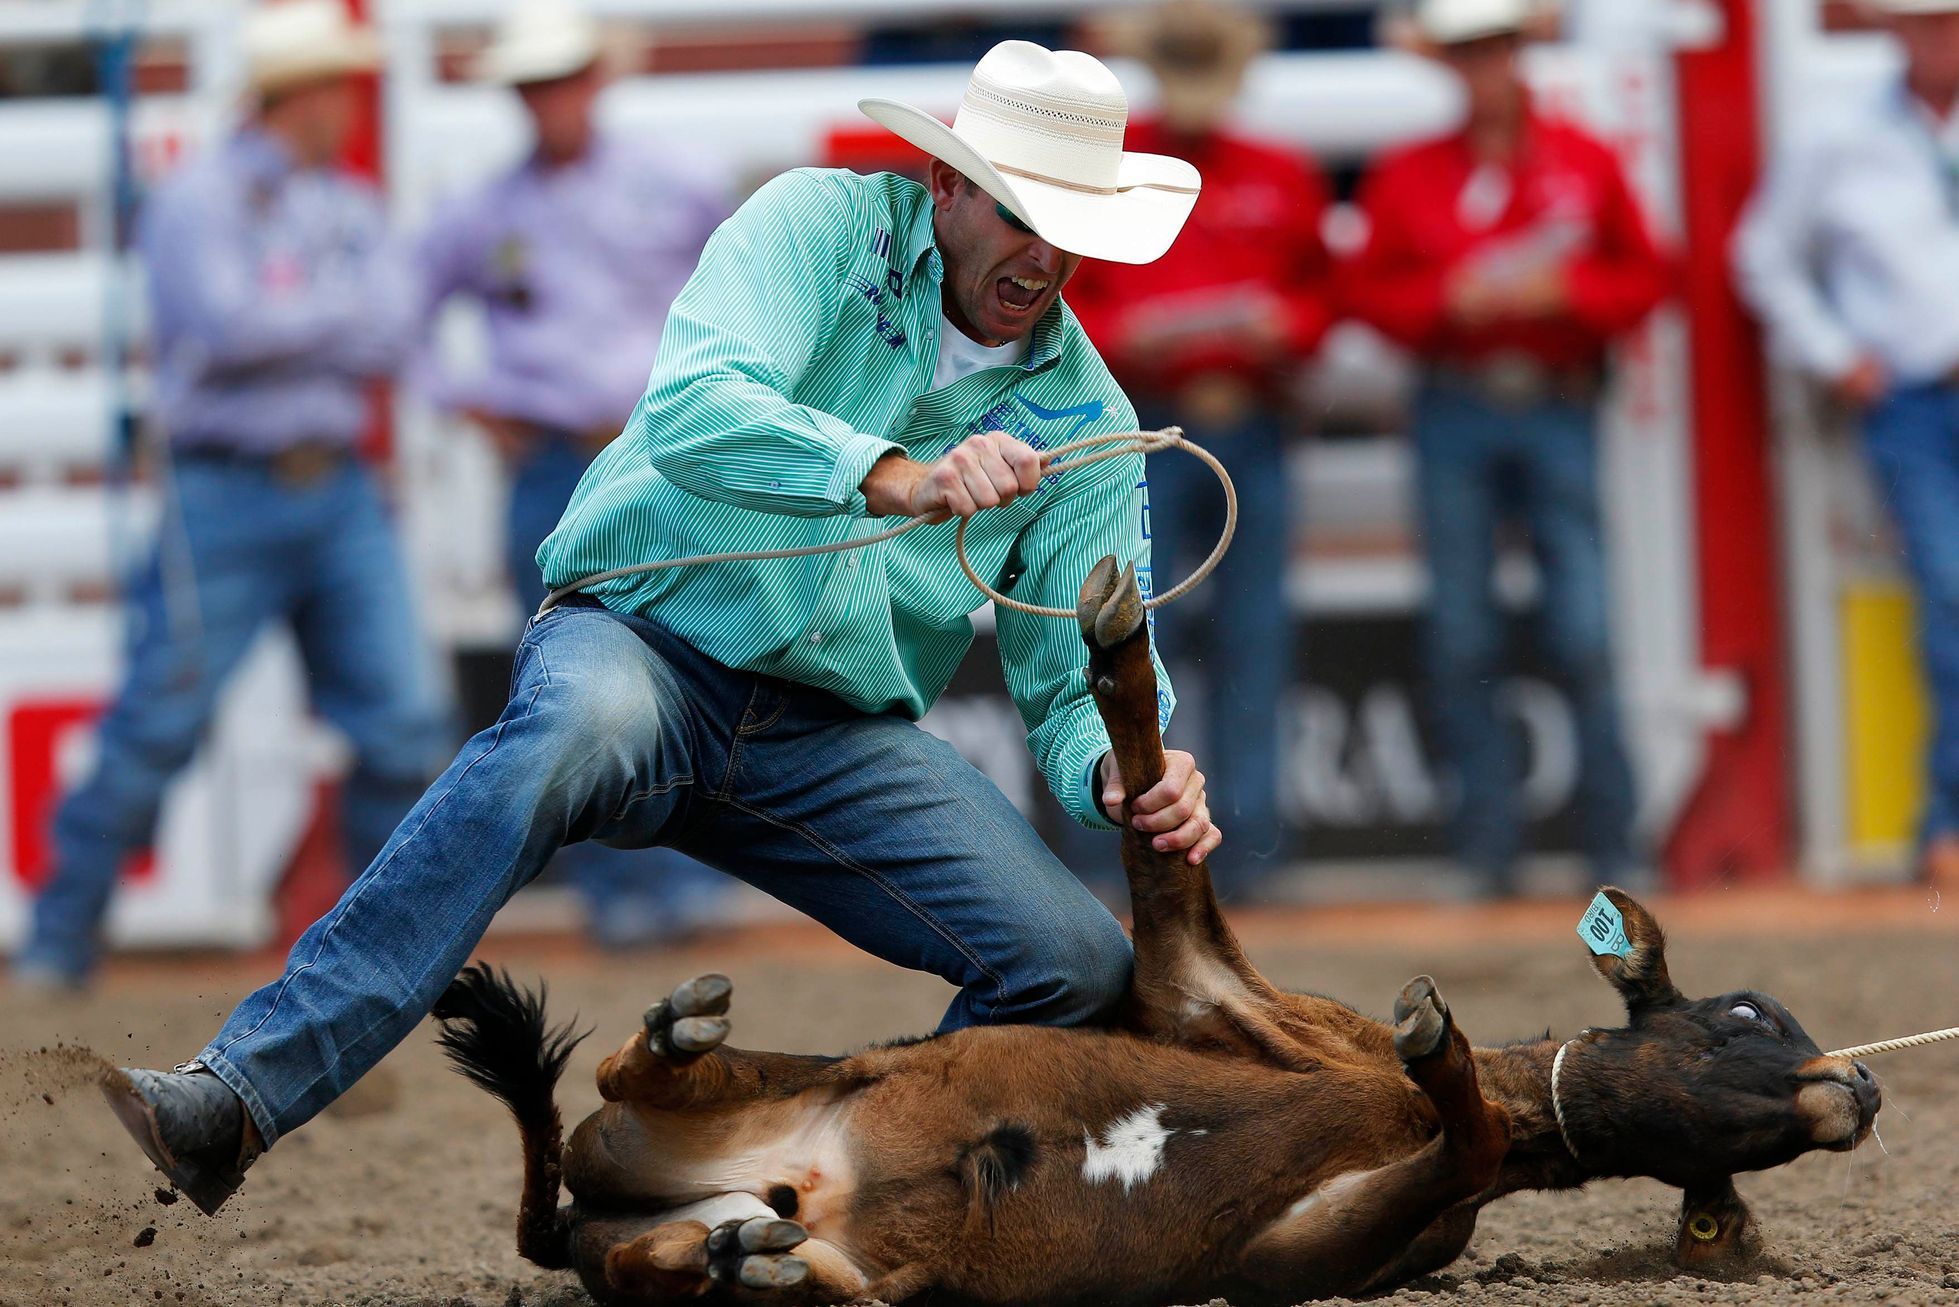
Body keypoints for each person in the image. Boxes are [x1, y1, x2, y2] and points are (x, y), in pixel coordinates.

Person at [103, 40, 1218, 1218]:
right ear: (944, 187)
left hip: (828, 730)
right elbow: (693, 405)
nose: (1043, 256)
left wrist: (1120, 769)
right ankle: (235, 1095)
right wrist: (892, 473)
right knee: (564, 735)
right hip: (644, 634)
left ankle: (806, 1189)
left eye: (1070, 224)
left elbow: (1065, 678)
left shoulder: (1092, 419)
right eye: (1015, 212)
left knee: (1076, 964)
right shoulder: (817, 226)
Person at [12, 0, 450, 990]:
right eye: (336, 84)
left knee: (403, 722)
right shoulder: (201, 198)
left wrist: (296, 319)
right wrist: (334, 320)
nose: (347, 103)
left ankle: (371, 954)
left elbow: (379, 324)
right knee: (160, 723)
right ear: (299, 96)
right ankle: (58, 937)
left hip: (330, 487)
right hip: (227, 493)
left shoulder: (340, 202)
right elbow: (232, 326)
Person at [415, 0, 733, 946]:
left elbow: (749, 287)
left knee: (689, 659)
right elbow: (407, 314)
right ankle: (613, 895)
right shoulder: (485, 211)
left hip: (659, 452)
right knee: (570, 681)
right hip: (555, 458)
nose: (546, 99)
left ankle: (676, 887)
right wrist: (471, 400)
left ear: (593, 80)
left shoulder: (677, 185)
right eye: (532, 84)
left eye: (558, 78)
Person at [1342, 0, 1667, 898]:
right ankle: (1487, 850)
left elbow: (1647, 275)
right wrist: (1449, 305)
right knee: (1461, 627)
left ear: (1516, 53)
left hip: (1550, 399)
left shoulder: (1581, 157)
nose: (1483, 68)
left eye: (1493, 49)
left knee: (1584, 623)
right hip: (1461, 399)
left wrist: (1565, 290)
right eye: (1467, 52)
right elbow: (1368, 291)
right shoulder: (1416, 173)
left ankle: (1614, 846)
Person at [1067, 0, 1334, 895]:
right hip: (1146, 416)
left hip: (1226, 417)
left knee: (1243, 631)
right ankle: (1152, 827)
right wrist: (1123, 336)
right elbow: (1067, 299)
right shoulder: (1117, 172)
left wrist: (1282, 328)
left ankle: (1245, 843)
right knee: (1139, 633)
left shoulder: (1273, 172)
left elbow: (1318, 296)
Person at [1735, 0, 1959, 891]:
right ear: (1897, 32)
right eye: (1930, 21)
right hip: (1910, 398)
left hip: (1909, 399)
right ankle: (1946, 819)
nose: (1942, 35)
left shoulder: (1848, 135)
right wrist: (1837, 356)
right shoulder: (1838, 137)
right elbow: (1762, 253)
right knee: (1949, 596)